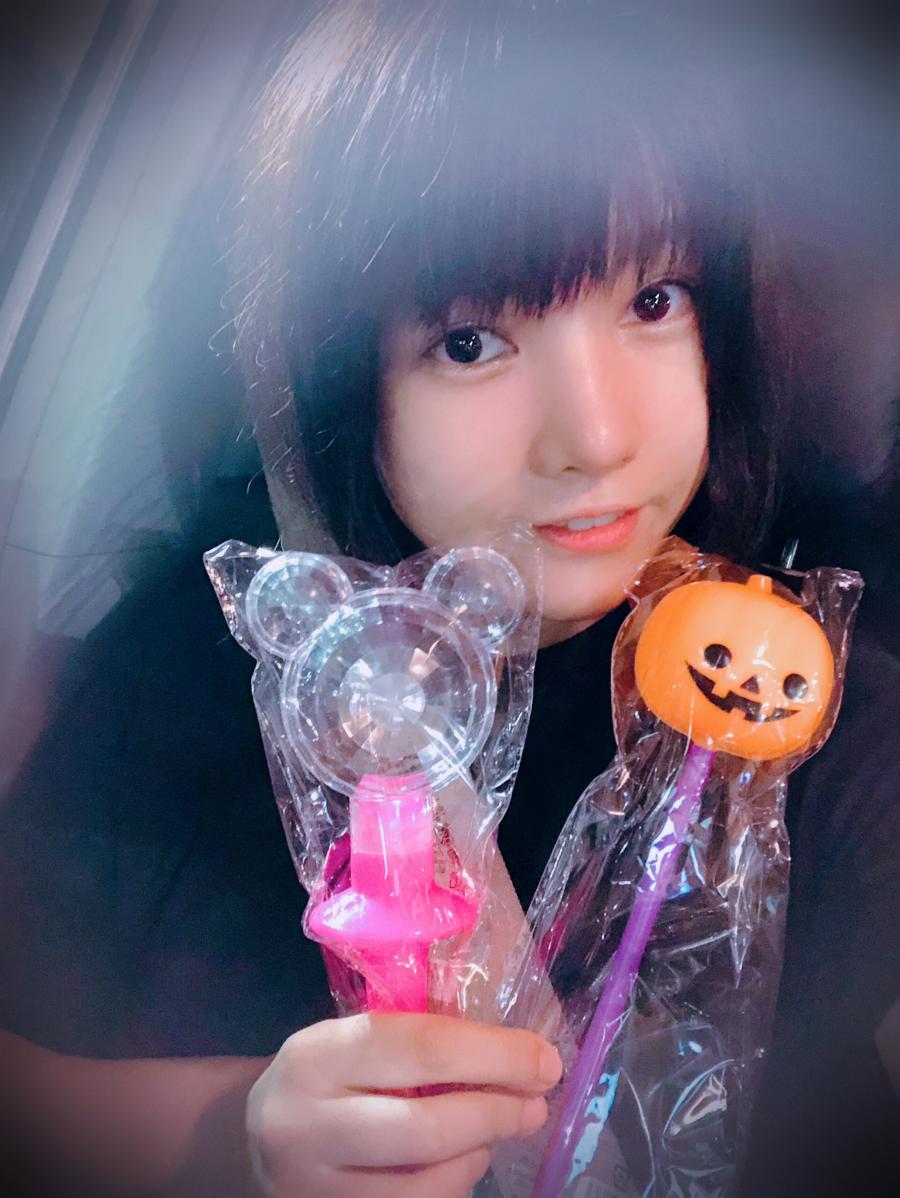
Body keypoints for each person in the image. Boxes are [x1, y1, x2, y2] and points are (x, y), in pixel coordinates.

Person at [1, 3, 897, 1196]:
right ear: (340, 377)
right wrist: (234, 1136)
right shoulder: (204, 658)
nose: (595, 438)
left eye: (653, 300)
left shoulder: (812, 718)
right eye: (470, 341)